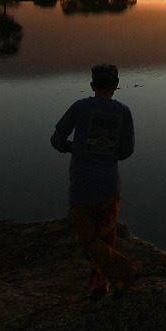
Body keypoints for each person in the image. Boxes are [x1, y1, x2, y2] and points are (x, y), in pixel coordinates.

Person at [51, 63, 137, 298]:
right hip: (109, 188)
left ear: (91, 85)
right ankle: (110, 283)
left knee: (87, 243)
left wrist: (72, 148)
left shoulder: (80, 107)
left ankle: (110, 283)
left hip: (81, 189)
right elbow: (126, 151)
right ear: (116, 85)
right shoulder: (123, 112)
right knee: (104, 242)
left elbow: (57, 139)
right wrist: (108, 153)